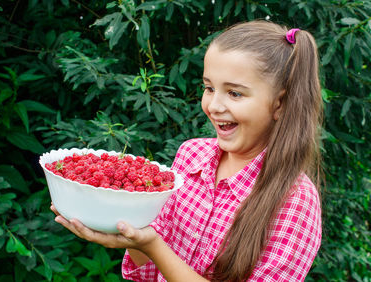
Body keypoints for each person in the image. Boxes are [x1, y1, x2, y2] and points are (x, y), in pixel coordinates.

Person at [51, 20, 323, 281]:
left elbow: (155, 246)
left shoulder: (296, 201)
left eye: (235, 93)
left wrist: (153, 245)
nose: (214, 106)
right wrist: (126, 223)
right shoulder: (190, 155)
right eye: (209, 88)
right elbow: (146, 270)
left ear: (280, 104)